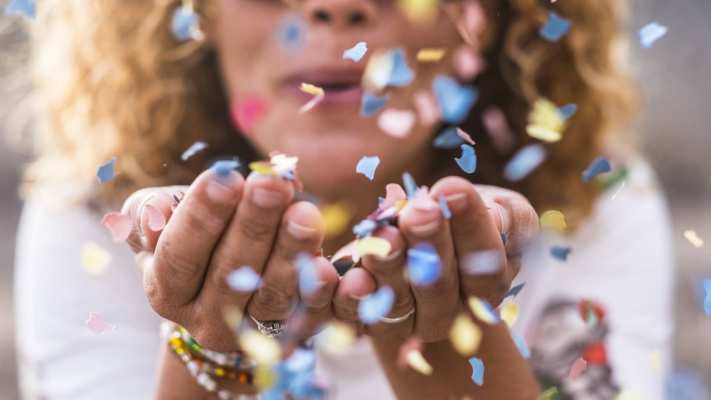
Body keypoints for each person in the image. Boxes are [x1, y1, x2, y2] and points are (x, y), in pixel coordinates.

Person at [13, 0, 673, 399]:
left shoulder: (588, 198)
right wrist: (217, 353)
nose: (332, 5)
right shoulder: (97, 211)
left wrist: (442, 339)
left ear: (493, 11)